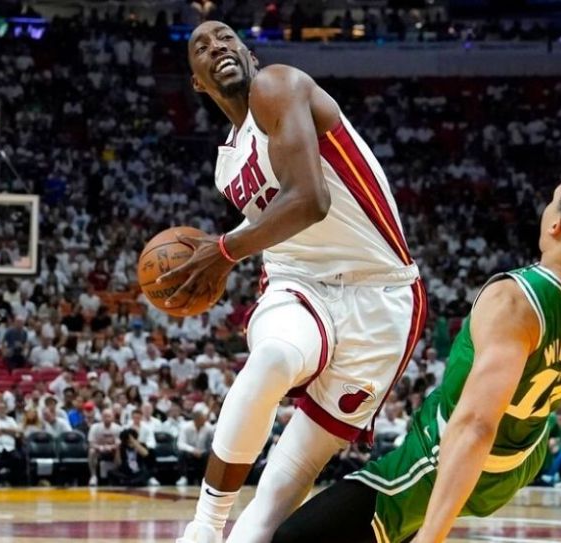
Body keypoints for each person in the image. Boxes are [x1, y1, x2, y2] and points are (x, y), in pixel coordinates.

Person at [274, 172, 561, 543]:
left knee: (293, 540)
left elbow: (476, 427)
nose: (548, 206)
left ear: (557, 225)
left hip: (440, 457)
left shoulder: (516, 301)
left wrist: (432, 537)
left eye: (554, 199)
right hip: (522, 457)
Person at [171, 21, 425, 543]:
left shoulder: (278, 83)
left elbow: (310, 199)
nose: (217, 45)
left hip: (383, 295)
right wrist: (221, 249)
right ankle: (203, 526)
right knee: (274, 358)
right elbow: (274, 223)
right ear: (197, 82)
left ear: (249, 53)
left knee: (271, 508)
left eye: (225, 37)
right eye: (202, 46)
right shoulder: (226, 165)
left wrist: (223, 250)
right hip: (299, 280)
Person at [87, 408, 123, 486]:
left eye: (109, 416)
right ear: (101, 417)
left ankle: (117, 474)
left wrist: (111, 447)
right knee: (91, 451)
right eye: (105, 416)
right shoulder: (94, 427)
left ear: (113, 417)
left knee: (119, 449)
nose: (107, 418)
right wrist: (100, 447)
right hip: (99, 450)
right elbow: (91, 443)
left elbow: (119, 443)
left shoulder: (118, 428)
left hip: (113, 450)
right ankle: (93, 476)